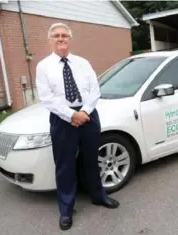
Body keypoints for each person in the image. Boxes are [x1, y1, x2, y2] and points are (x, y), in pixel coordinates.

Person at [36, 22, 120, 231]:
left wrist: (84, 112)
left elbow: (95, 90)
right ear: (50, 39)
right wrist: (71, 114)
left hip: (88, 116)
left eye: (64, 35)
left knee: (92, 159)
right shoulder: (43, 66)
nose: (61, 38)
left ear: (70, 39)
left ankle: (99, 197)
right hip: (62, 120)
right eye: (56, 35)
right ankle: (66, 209)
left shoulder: (83, 63)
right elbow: (47, 98)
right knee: (65, 166)